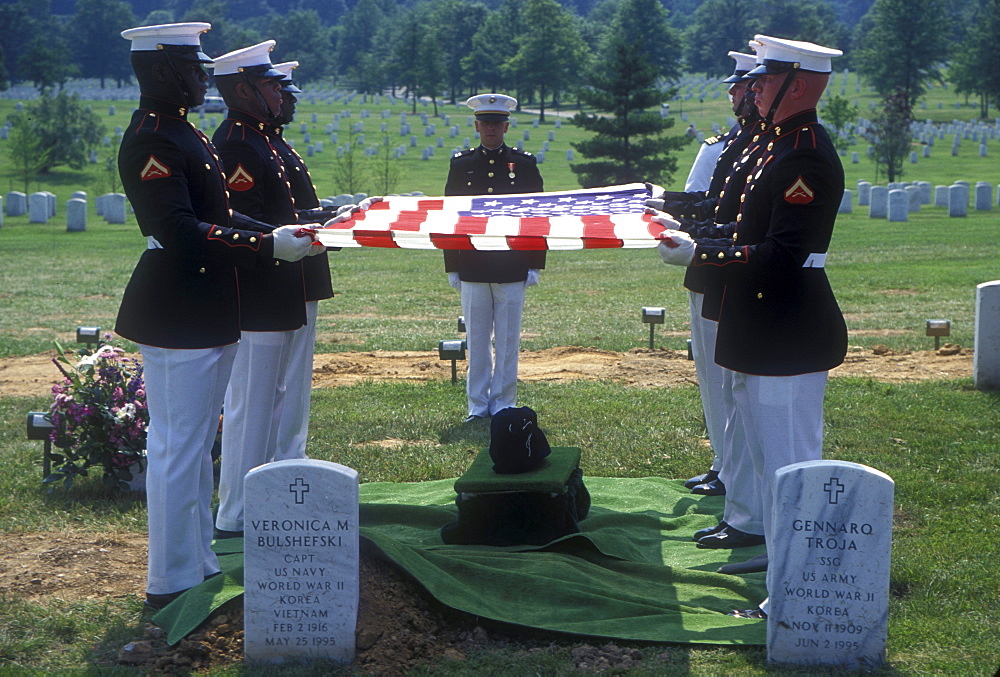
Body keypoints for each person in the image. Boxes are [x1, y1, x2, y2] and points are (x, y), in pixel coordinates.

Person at [115, 22, 315, 610]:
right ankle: (170, 576)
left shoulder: (185, 133)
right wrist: (264, 247)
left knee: (199, 443)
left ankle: (197, 559)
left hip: (205, 307)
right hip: (178, 309)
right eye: (191, 66)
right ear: (158, 71)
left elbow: (222, 215)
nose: (204, 75)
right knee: (178, 445)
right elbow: (176, 230)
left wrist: (279, 233)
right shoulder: (154, 139)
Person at [653, 34, 848, 618]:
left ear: (801, 86)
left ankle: (800, 590)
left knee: (789, 462)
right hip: (758, 322)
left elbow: (783, 255)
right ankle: (780, 565)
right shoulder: (778, 146)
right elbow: (742, 227)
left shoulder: (805, 154)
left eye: (767, 80)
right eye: (758, 80)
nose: (754, 88)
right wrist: (699, 238)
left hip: (786, 326)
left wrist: (699, 255)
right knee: (765, 457)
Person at [210, 41, 326, 539]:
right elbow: (242, 219)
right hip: (261, 286)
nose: (281, 95)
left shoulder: (267, 140)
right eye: (271, 86)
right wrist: (302, 229)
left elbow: (286, 211)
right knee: (253, 402)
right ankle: (238, 509)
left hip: (292, 281)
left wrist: (325, 220)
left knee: (288, 397)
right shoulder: (238, 142)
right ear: (242, 90)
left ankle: (283, 483)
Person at [444, 93, 545, 423]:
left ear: (506, 126)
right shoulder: (461, 165)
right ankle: (477, 405)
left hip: (512, 262)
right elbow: (451, 218)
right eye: (485, 123)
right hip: (473, 263)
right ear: (476, 126)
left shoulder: (525, 165)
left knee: (507, 339)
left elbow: (537, 216)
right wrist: (452, 264)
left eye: (497, 123)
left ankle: (503, 402)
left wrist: (534, 262)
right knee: (476, 338)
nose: (491, 129)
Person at [268, 60, 342, 466]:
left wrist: (329, 215)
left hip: (302, 269)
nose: (289, 103)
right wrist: (320, 221)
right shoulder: (256, 146)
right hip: (283, 271)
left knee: (295, 379)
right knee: (283, 379)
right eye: (282, 95)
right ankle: (283, 455)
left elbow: (295, 208)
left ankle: (292, 451)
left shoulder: (278, 145)